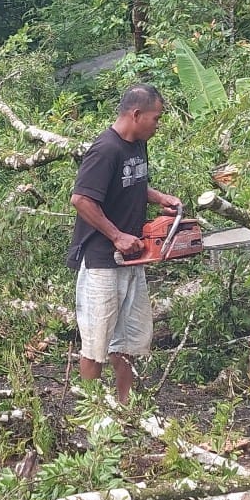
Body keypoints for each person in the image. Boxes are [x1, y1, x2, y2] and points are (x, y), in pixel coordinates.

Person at [68, 83, 181, 403]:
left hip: (134, 258)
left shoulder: (137, 144)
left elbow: (130, 184)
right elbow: (81, 199)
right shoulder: (105, 149)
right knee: (96, 343)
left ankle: (125, 408)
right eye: (156, 118)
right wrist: (117, 236)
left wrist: (159, 197)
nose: (158, 125)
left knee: (129, 341)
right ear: (136, 114)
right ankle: (92, 414)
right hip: (102, 261)